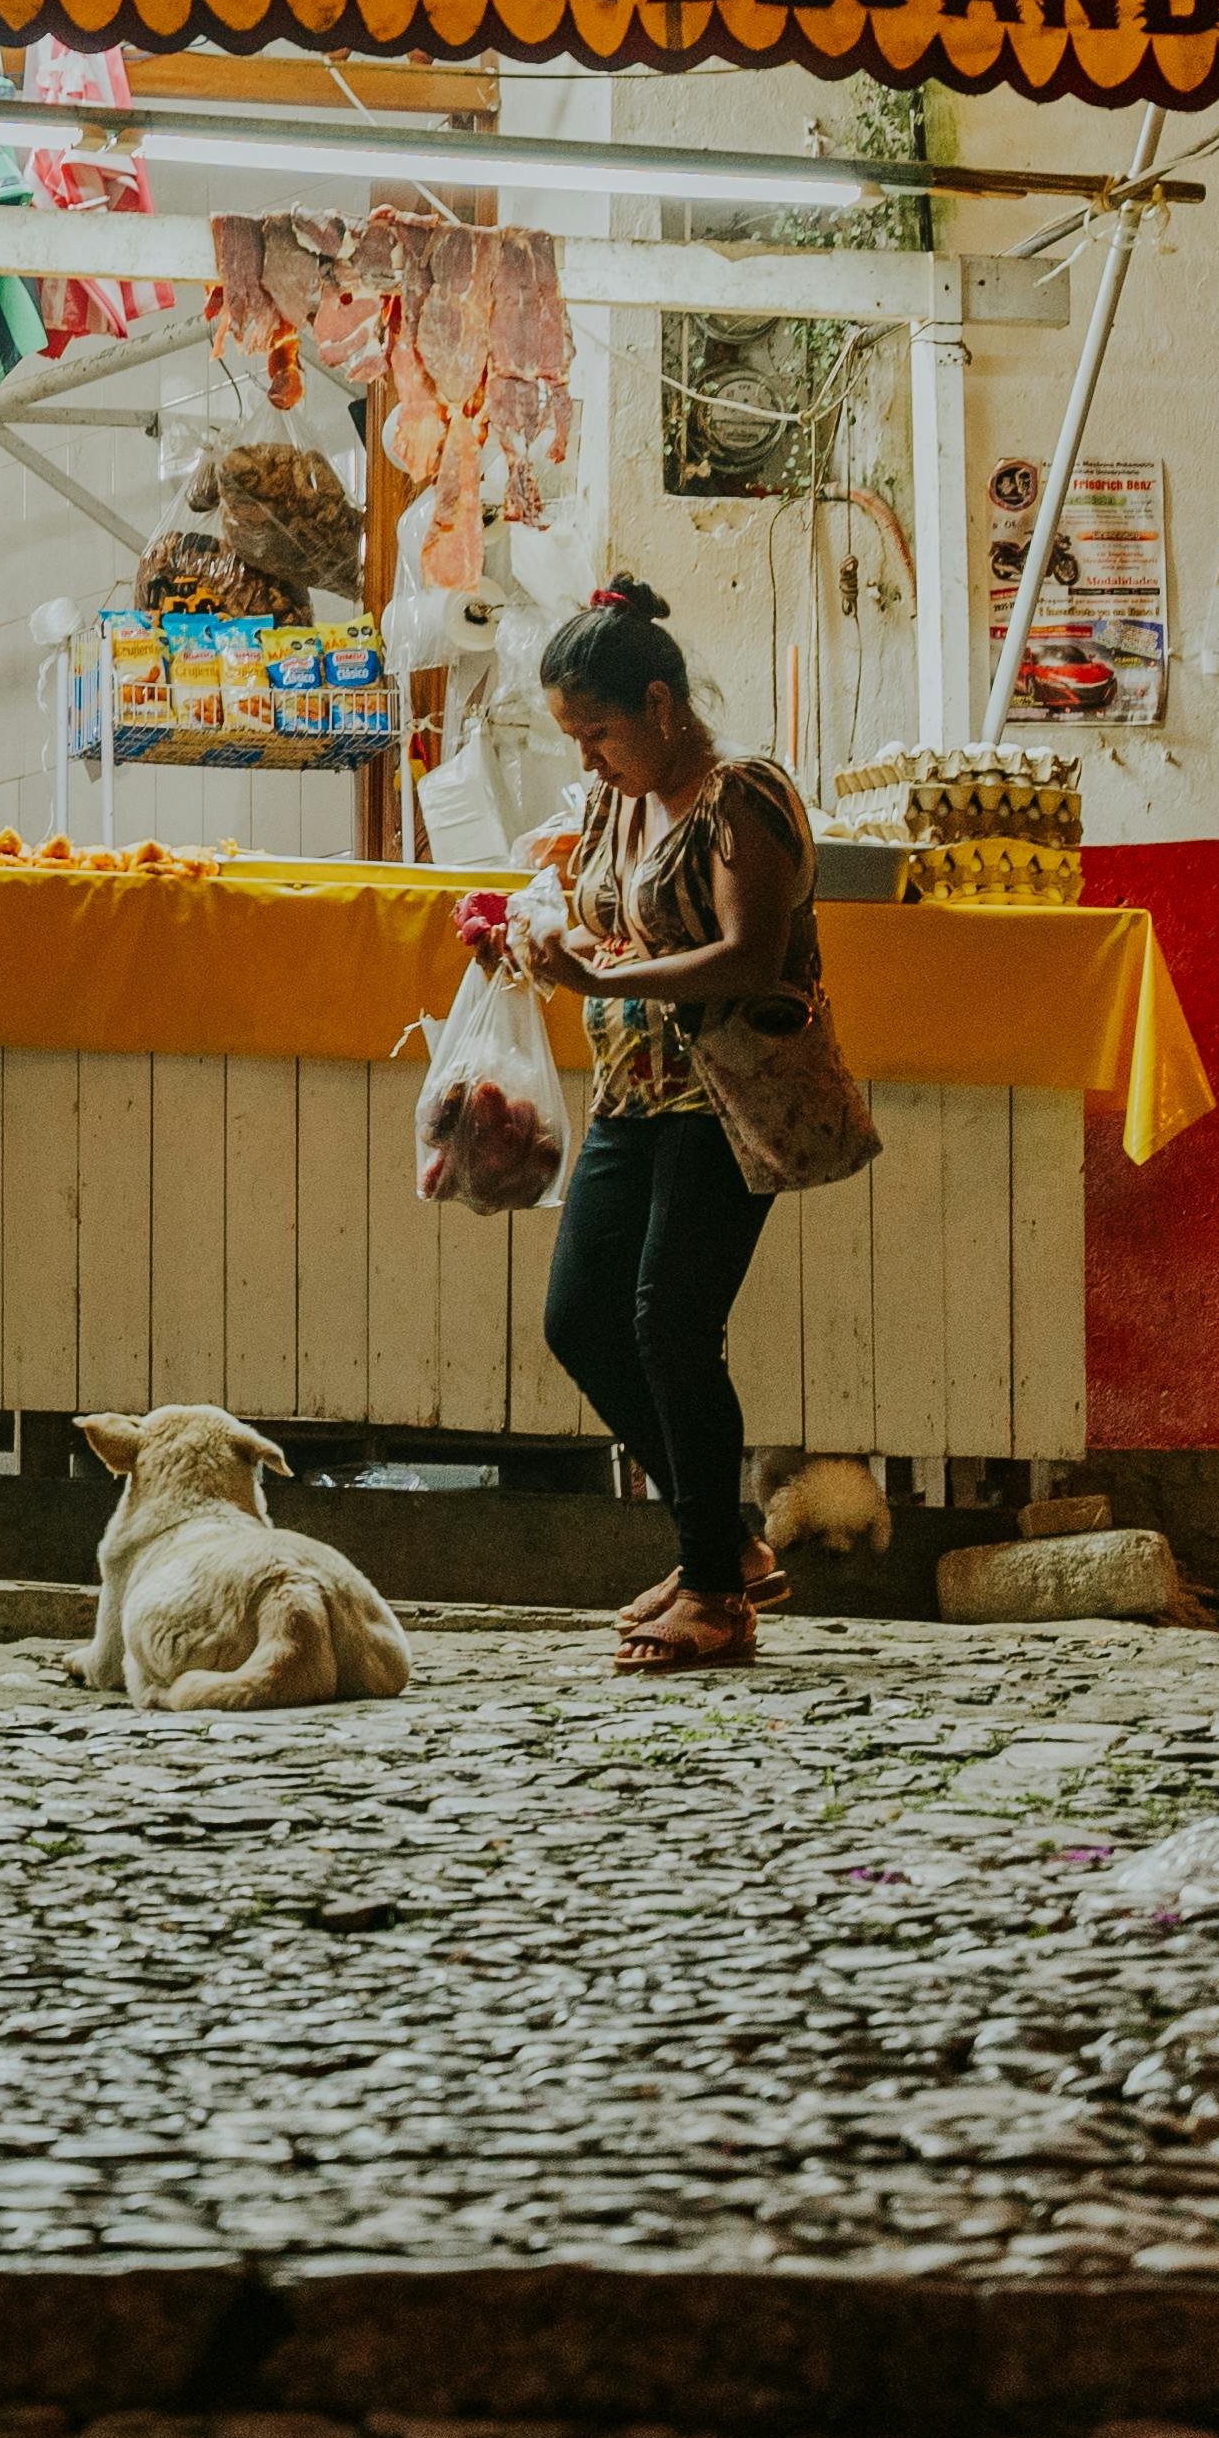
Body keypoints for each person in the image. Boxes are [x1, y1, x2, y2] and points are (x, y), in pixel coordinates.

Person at [509, 576, 821, 1680]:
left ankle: (716, 1592)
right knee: (580, 1319)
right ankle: (723, 1541)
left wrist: (599, 970)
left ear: (660, 705)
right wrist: (535, 939)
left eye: (598, 734)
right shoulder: (614, 805)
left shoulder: (745, 799)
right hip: (631, 1094)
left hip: (722, 1097)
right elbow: (592, 908)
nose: (588, 759)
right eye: (575, 740)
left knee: (670, 1324)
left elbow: (749, 955)